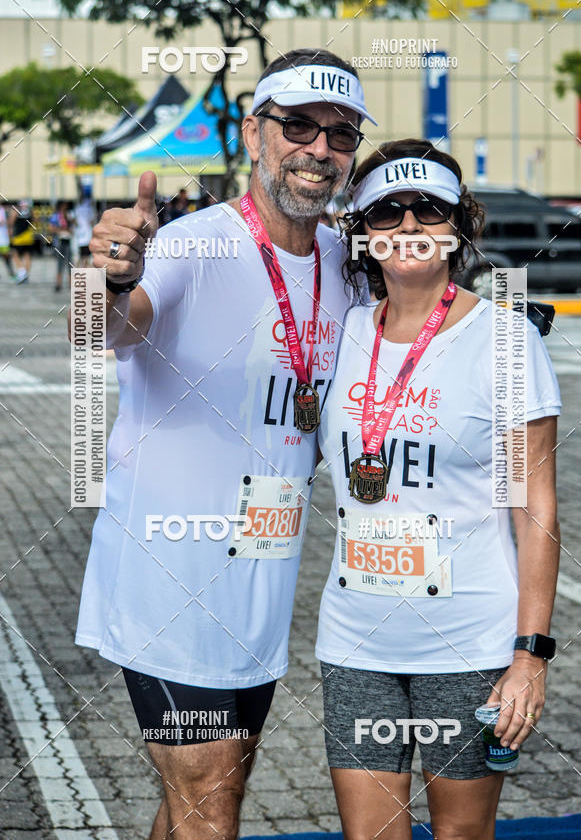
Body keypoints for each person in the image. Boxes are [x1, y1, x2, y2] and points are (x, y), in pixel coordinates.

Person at [70, 47, 373, 840]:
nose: (319, 149)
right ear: (252, 132)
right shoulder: (190, 245)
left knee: (207, 790)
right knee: (209, 795)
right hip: (171, 576)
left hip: (261, 582)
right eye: (298, 125)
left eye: (340, 134)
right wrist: (106, 277)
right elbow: (100, 331)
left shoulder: (348, 265)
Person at [316, 139, 561, 840]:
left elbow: (536, 509)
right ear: (363, 232)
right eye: (386, 211)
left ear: (458, 225)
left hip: (469, 643)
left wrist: (529, 656)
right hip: (356, 639)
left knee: (459, 835)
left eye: (428, 208)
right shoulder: (342, 333)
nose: (408, 225)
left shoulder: (505, 340)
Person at [48, 200, 74, 291]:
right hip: (59, 242)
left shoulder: (69, 216)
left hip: (68, 241)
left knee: (70, 264)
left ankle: (71, 284)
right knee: (60, 264)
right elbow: (51, 229)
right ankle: (58, 283)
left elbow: (73, 228)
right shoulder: (55, 216)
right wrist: (61, 229)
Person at [9, 199, 35, 283]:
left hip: (19, 238)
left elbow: (11, 222)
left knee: (15, 254)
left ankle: (22, 272)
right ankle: (26, 276)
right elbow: (35, 221)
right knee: (27, 256)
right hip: (28, 237)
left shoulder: (16, 211)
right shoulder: (30, 211)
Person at [0, 203, 14, 279]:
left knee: (6, 255)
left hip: (3, 237)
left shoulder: (4, 210)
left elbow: (9, 222)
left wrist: (10, 229)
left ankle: (11, 272)